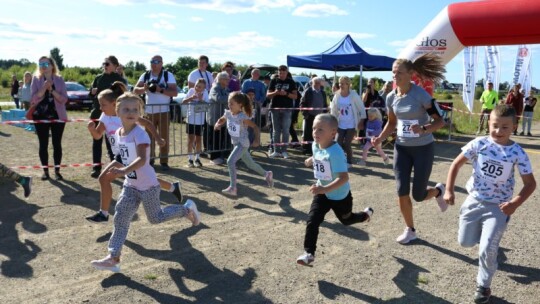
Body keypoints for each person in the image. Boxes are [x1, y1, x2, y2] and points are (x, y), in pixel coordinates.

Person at [90, 92, 200, 273]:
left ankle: (186, 209)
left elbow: (142, 159)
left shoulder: (140, 134)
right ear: (117, 112)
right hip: (131, 186)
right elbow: (122, 155)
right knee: (120, 218)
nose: (131, 112)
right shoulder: (118, 132)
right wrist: (115, 167)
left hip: (148, 186)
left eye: (135, 109)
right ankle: (113, 257)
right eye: (126, 109)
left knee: (155, 218)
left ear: (140, 112)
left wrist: (124, 170)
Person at [443, 105, 536, 304]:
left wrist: (515, 203)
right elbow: (456, 164)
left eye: (504, 127)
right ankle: (489, 242)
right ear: (488, 124)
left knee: (486, 248)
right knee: (465, 242)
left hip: (499, 207)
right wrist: (449, 189)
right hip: (474, 201)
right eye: (495, 126)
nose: (498, 131)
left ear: (514, 126)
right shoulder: (479, 144)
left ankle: (483, 286)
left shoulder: (517, 152)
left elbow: (530, 184)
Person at [371, 53, 447, 244]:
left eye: (399, 73)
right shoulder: (390, 97)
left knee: (419, 195)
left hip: (423, 148)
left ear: (411, 74)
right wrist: (379, 138)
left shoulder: (421, 95)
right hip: (402, 149)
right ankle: (410, 229)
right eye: (393, 72)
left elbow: (440, 122)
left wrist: (423, 128)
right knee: (401, 190)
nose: (395, 76)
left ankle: (438, 191)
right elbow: (391, 123)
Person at [85, 82, 183, 223]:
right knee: (145, 179)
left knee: (104, 178)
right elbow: (98, 136)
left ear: (114, 104)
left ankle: (104, 213)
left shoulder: (126, 113)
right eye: (99, 104)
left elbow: (148, 123)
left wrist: (158, 138)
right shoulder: (104, 116)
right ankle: (173, 187)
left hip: (131, 152)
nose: (100, 108)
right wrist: (92, 130)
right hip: (119, 153)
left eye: (103, 104)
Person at [296, 113, 373, 266]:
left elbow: (344, 178)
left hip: (339, 196)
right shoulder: (315, 144)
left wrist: (324, 189)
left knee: (347, 220)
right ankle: (309, 253)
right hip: (322, 193)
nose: (315, 133)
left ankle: (365, 215)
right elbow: (319, 155)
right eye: (314, 129)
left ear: (332, 133)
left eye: (320, 130)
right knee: (312, 220)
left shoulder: (336, 152)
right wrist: (311, 160)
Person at [214, 92, 274, 196]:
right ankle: (267, 174)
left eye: (232, 103)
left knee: (230, 161)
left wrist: (257, 140)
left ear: (240, 105)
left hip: (243, 144)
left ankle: (233, 188)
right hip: (236, 143)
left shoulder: (242, 117)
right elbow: (221, 119)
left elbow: (255, 127)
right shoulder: (228, 113)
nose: (229, 105)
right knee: (250, 164)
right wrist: (217, 125)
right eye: (228, 103)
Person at [133, 55, 178, 170]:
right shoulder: (146, 75)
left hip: (164, 111)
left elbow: (175, 93)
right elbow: (135, 90)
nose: (154, 63)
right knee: (148, 136)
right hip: (149, 111)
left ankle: (164, 161)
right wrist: (144, 88)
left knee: (164, 137)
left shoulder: (168, 75)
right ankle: (150, 159)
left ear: (162, 63)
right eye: (152, 61)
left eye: (157, 61)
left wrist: (160, 90)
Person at [29, 56, 68, 181]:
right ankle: (45, 172)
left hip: (58, 117)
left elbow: (64, 99)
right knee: (43, 144)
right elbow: (33, 99)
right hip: (40, 117)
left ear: (52, 65)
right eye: (40, 64)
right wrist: (44, 88)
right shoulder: (36, 79)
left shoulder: (59, 79)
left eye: (45, 63)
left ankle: (57, 171)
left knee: (57, 144)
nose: (43, 66)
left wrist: (52, 90)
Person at [89, 55, 127, 178]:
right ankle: (96, 167)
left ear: (115, 66)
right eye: (103, 64)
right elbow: (90, 95)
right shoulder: (98, 78)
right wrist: (92, 92)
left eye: (107, 64)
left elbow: (124, 95)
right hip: (98, 112)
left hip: (114, 115)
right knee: (96, 140)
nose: (104, 66)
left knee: (113, 141)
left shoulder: (118, 79)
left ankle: (116, 166)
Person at [330, 76, 365, 168]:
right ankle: (340, 161)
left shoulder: (353, 95)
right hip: (340, 123)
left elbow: (361, 107)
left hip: (351, 124)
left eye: (344, 83)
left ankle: (349, 161)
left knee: (347, 144)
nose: (341, 85)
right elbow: (333, 109)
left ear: (348, 84)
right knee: (338, 143)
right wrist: (333, 121)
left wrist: (362, 120)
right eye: (340, 83)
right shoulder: (336, 95)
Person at [267, 65, 297, 159]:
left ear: (287, 72)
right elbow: (268, 95)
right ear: (278, 72)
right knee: (276, 131)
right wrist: (275, 92)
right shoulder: (274, 81)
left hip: (287, 109)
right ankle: (276, 151)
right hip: (275, 109)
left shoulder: (291, 82)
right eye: (280, 73)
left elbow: (295, 96)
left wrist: (286, 94)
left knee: (285, 130)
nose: (282, 74)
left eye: (283, 73)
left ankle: (284, 151)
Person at [183, 78, 209, 167]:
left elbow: (208, 106)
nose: (197, 88)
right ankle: (190, 159)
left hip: (200, 120)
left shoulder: (205, 93)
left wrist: (201, 100)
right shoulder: (191, 91)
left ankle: (197, 158)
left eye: (200, 87)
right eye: (197, 86)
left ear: (204, 88)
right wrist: (191, 98)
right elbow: (183, 102)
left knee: (198, 139)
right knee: (191, 139)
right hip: (190, 118)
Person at [207, 72, 231, 165]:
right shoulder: (215, 88)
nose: (228, 81)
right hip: (214, 117)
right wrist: (230, 96)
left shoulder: (226, 89)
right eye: (226, 79)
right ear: (220, 79)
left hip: (223, 118)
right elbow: (219, 99)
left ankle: (220, 156)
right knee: (214, 138)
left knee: (221, 138)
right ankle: (214, 157)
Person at [300, 76, 327, 155]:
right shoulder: (308, 91)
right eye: (316, 83)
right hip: (310, 116)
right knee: (308, 133)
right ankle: (306, 149)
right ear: (312, 83)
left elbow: (325, 104)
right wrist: (305, 113)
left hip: (320, 117)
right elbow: (302, 103)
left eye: (319, 83)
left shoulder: (323, 92)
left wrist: (325, 113)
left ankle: (317, 149)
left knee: (318, 133)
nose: (317, 85)